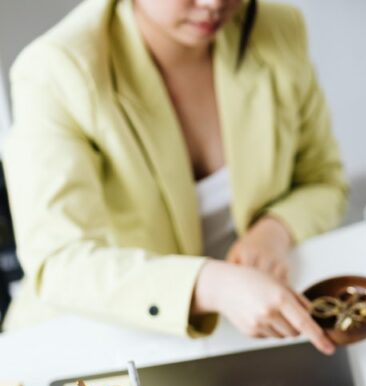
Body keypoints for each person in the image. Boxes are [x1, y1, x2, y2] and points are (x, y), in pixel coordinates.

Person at [1, 0, 346, 354]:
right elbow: (59, 261)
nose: (214, 5)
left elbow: (323, 179)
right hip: (94, 334)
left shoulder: (276, 27)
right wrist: (210, 284)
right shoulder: (57, 69)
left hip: (241, 321)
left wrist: (276, 228)